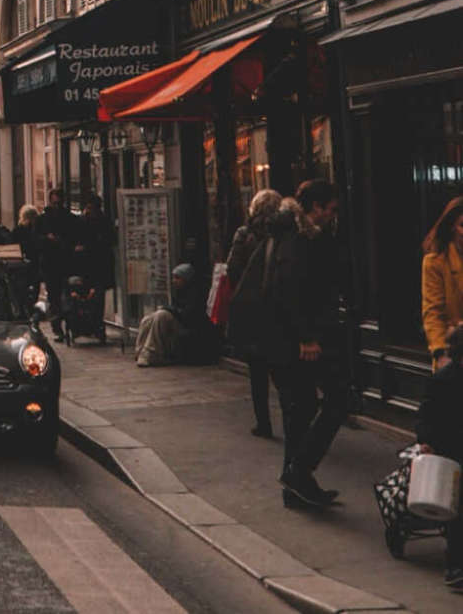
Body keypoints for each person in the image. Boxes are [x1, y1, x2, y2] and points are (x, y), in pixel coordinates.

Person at [232, 181, 347, 509]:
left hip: (279, 340)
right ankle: (299, 473)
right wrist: (306, 337)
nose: (333, 216)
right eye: (331, 209)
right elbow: (289, 290)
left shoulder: (286, 233)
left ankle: (296, 485)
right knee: (336, 399)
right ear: (315, 208)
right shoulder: (296, 240)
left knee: (300, 410)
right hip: (292, 341)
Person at [226, 189, 284, 438]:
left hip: (252, 310)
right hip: (276, 309)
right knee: (282, 372)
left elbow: (232, 268)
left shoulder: (244, 233)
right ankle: (292, 420)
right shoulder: (282, 232)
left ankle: (264, 424)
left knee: (257, 373)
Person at [415, 321, 463, 591]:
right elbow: (426, 416)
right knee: (458, 512)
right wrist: (426, 442)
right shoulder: (442, 381)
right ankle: (456, 564)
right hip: (452, 451)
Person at [134, 263, 221, 366]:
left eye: (177, 278)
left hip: (191, 328)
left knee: (162, 315)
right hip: (181, 322)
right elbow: (176, 308)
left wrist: (169, 310)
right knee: (148, 319)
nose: (174, 281)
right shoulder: (180, 291)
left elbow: (188, 315)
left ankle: (152, 353)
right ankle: (140, 351)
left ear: (186, 279)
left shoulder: (196, 293)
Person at [421, 196, 463, 371]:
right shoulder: (436, 261)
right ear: (452, 227)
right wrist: (440, 354)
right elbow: (433, 312)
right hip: (454, 354)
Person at [68, 195, 115, 336]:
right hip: (85, 265)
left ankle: (95, 324)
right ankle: (84, 324)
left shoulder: (103, 222)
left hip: (99, 265)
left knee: (97, 296)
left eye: (91, 208)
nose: (88, 211)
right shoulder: (81, 221)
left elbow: (107, 241)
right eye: (87, 208)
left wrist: (86, 247)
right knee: (84, 295)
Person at [36, 191, 77, 341]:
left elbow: (75, 237)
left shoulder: (70, 219)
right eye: (54, 203)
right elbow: (36, 241)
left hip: (66, 263)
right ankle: (58, 327)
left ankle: (70, 325)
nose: (57, 206)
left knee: (68, 295)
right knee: (54, 297)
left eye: (59, 203)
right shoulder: (43, 220)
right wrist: (47, 239)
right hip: (50, 264)